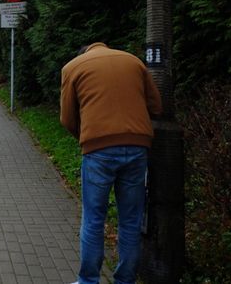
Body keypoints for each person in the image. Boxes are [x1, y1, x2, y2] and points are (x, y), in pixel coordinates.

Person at [60, 42, 162, 284]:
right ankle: (125, 280)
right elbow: (156, 106)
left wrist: (85, 139)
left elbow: (67, 118)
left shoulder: (73, 67)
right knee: (130, 218)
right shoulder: (133, 61)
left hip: (98, 150)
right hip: (138, 147)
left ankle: (88, 280)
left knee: (94, 218)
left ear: (83, 52)